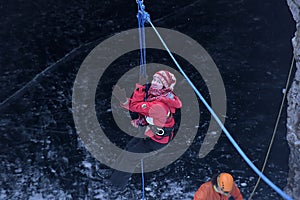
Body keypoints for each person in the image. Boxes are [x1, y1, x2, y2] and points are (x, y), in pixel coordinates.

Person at [109, 70, 182, 189]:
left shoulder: (159, 106)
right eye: (154, 79)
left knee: (131, 157)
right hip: (150, 132)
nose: (154, 83)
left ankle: (118, 185)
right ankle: (114, 175)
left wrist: (139, 90)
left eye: (158, 81)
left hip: (156, 141)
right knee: (128, 148)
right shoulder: (158, 95)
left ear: (165, 86)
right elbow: (140, 105)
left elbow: (136, 107)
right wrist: (140, 91)